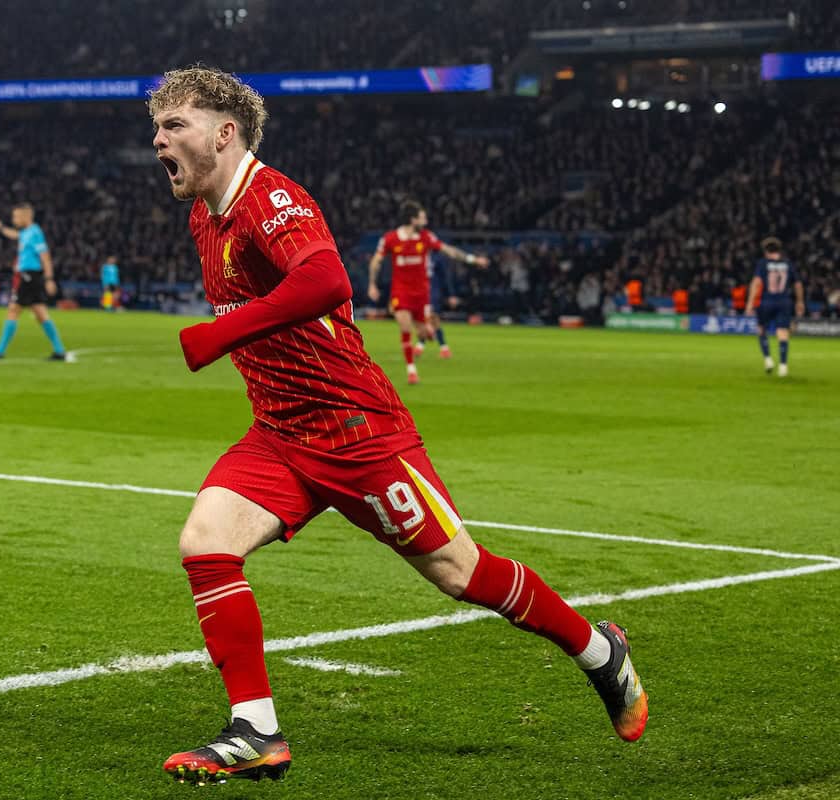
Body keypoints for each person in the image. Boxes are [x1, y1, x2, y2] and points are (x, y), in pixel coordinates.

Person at [149, 66, 647, 787]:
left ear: (224, 133)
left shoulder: (271, 198)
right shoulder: (206, 214)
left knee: (462, 574)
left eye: (174, 126)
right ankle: (256, 729)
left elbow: (326, 282)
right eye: (156, 127)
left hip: (357, 431)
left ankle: (601, 652)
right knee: (205, 543)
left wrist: (219, 337)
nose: (158, 140)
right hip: (282, 432)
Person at [368, 201, 487, 383]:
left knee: (424, 333)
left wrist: (472, 259)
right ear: (412, 219)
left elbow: (449, 251)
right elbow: (376, 261)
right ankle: (411, 370)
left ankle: (428, 332)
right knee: (405, 328)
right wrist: (372, 284)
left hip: (422, 294)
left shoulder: (426, 237)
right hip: (401, 292)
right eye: (422, 217)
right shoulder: (391, 239)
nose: (426, 220)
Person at [0, 203, 69, 361]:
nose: (14, 219)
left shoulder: (35, 233)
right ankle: (59, 350)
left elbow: (45, 256)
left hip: (29, 277)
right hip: (28, 276)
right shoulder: (26, 233)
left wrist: (49, 279)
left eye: (16, 216)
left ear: (26, 216)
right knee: (40, 314)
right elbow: (14, 235)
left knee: (14, 310)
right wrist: (0, 228)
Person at [744, 237, 804, 378]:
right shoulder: (788, 264)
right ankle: (783, 366)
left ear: (766, 251)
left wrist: (750, 303)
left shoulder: (763, 263)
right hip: (784, 301)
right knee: (783, 332)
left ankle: (768, 359)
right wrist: (800, 301)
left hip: (766, 301)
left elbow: (757, 283)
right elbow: (798, 284)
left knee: (761, 329)